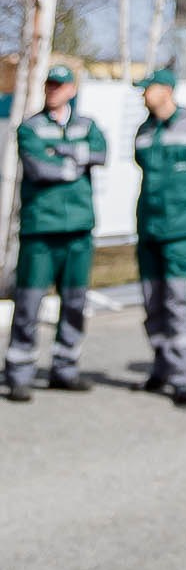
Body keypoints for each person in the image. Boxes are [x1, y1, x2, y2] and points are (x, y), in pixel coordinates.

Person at [6, 64, 108, 401]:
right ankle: (19, 371)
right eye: (50, 84)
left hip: (79, 229)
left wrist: (65, 155)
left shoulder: (86, 125)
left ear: (72, 90)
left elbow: (101, 153)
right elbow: (38, 168)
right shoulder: (31, 127)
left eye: (60, 85)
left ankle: (65, 368)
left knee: (75, 302)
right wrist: (75, 163)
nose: (54, 90)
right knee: (29, 303)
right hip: (41, 230)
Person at [132, 68, 186, 407]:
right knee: (152, 300)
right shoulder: (144, 130)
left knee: (175, 300)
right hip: (149, 227)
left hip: (180, 230)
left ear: (165, 91)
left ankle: (183, 378)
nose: (143, 95)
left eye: (148, 89)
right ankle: (162, 368)